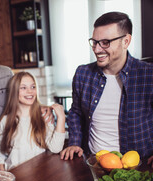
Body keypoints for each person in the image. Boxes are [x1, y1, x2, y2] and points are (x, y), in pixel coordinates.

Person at [60, 11, 153, 167]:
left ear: (126, 41)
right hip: (94, 165)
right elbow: (75, 112)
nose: (97, 49)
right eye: (94, 42)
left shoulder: (148, 74)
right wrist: (74, 142)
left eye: (105, 42)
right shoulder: (83, 74)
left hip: (140, 166)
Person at [0, 72, 66, 171]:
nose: (30, 91)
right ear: (14, 92)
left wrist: (61, 118)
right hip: (14, 175)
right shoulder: (5, 120)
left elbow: (56, 148)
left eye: (33, 87)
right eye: (23, 88)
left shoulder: (44, 116)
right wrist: (3, 175)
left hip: (39, 175)